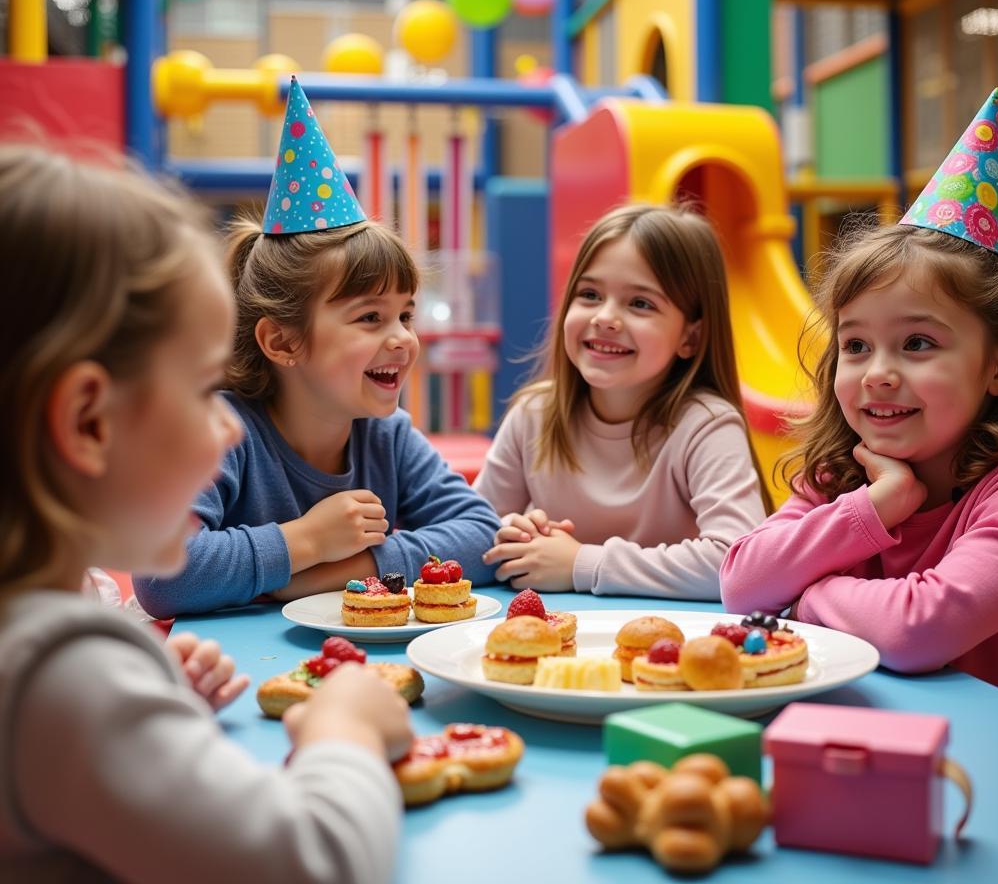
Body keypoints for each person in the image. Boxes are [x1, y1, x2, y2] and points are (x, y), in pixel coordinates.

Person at [0, 143, 413, 880]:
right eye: (200, 392)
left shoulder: (55, 638)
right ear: (89, 422)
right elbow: (310, 863)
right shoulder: (56, 673)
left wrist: (148, 702)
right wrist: (344, 730)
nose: (227, 426)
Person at [134, 80, 499, 618]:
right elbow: (163, 574)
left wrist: (339, 573)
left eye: (405, 314)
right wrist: (306, 541)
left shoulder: (386, 435)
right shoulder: (224, 432)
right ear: (282, 341)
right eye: (369, 318)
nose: (401, 337)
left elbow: (482, 534)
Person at [720, 89, 998, 697]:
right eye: (856, 346)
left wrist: (807, 594)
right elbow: (742, 584)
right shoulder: (848, 477)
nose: (877, 372)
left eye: (917, 344)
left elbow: (921, 630)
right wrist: (879, 503)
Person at [474, 202, 770, 598]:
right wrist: (512, 533)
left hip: (669, 644)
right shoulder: (535, 415)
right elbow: (470, 532)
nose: (606, 318)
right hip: (555, 641)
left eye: (640, 303)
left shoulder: (705, 424)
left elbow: (740, 563)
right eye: (590, 294)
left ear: (690, 338)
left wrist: (581, 564)